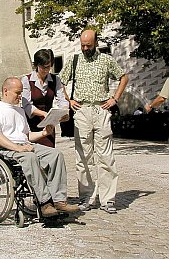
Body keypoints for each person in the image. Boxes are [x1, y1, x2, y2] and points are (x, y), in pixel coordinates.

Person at [0, 77, 79, 217]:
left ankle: (59, 200)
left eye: (21, 92)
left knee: (55, 155)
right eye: (17, 92)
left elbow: (27, 136)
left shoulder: (20, 110)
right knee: (30, 157)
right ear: (6, 91)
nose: (20, 96)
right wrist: (18, 148)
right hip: (6, 149)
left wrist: (44, 133)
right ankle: (44, 203)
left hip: (24, 145)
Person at [60, 29, 129, 214]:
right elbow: (60, 81)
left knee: (106, 157)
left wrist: (115, 99)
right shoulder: (74, 60)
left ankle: (108, 200)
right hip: (81, 110)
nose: (84, 48)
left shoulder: (106, 60)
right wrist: (68, 100)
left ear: (96, 43)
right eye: (82, 45)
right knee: (83, 157)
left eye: (88, 45)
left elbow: (124, 77)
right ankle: (87, 197)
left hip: (101, 109)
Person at [21, 49, 69, 147]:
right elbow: (26, 105)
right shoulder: (27, 80)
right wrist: (42, 113)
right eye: (43, 67)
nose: (46, 70)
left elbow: (61, 98)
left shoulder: (55, 79)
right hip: (32, 124)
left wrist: (64, 110)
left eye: (48, 67)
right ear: (37, 65)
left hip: (48, 124)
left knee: (50, 152)